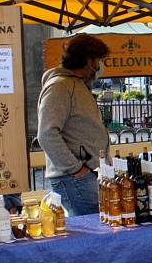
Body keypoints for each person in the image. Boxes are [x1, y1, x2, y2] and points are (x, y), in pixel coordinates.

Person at [38, 34, 110, 216]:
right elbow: (47, 134)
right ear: (88, 60)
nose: (100, 66)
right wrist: (76, 169)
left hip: (84, 175)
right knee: (94, 233)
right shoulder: (60, 86)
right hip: (75, 178)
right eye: (99, 60)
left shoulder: (76, 85)